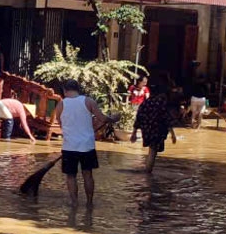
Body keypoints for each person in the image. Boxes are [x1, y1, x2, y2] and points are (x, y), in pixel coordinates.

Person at [52, 79, 118, 207]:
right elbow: (102, 118)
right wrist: (113, 119)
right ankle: (89, 203)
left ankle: (74, 202)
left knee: (71, 176)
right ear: (78, 89)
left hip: (69, 146)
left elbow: (61, 124)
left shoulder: (61, 105)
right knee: (88, 174)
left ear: (65, 91)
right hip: (87, 146)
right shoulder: (88, 101)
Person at [131, 80, 177, 173]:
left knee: (152, 149)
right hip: (157, 130)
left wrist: (134, 133)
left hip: (147, 131)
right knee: (153, 150)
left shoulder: (145, 103)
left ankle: (148, 170)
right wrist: (173, 134)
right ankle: (148, 172)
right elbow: (166, 118)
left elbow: (138, 118)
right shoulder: (160, 103)